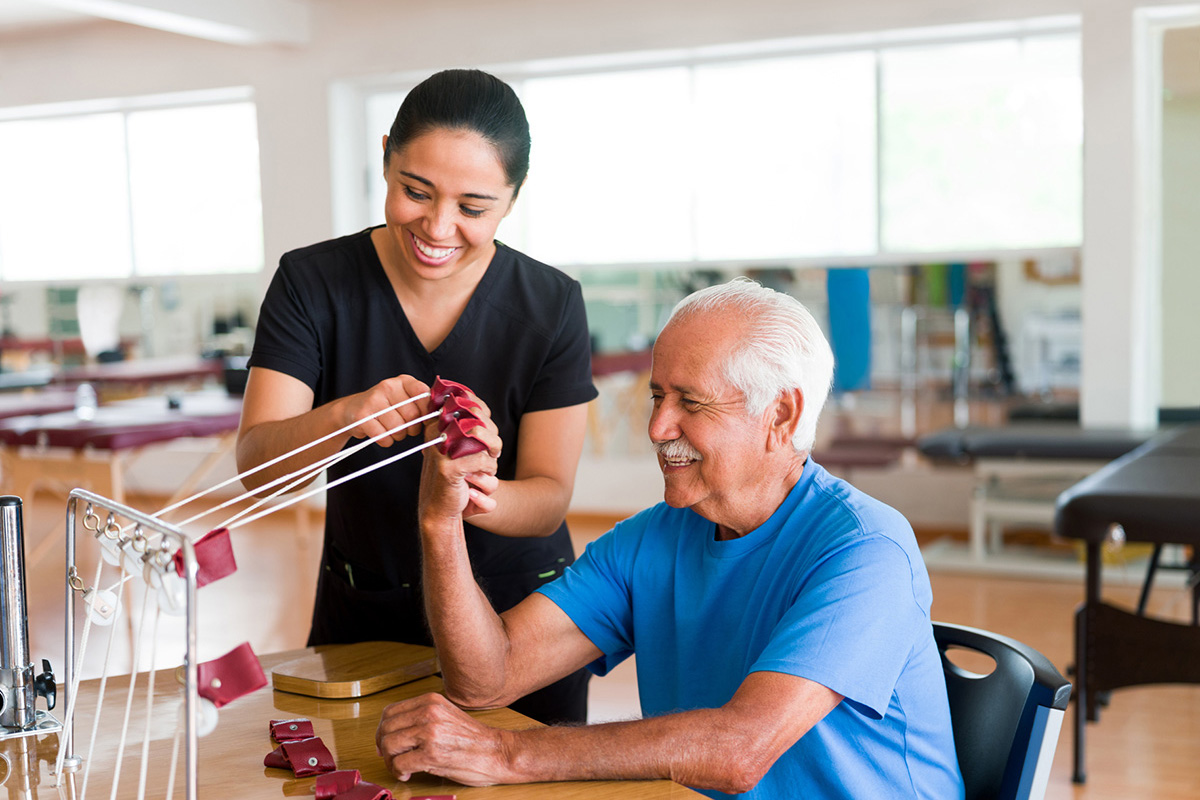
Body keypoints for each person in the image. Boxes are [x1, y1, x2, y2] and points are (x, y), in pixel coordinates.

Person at [376, 278, 965, 799]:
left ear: (780, 416)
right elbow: (486, 678)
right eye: (659, 396)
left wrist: (505, 755)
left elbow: (738, 751)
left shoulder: (866, 549)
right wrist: (440, 522)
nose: (658, 427)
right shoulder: (651, 539)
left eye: (692, 402)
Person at [236, 69, 597, 724]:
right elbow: (258, 468)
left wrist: (475, 490)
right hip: (366, 606)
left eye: (474, 207)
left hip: (517, 615)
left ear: (512, 200)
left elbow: (548, 500)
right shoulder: (311, 285)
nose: (437, 226)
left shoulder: (551, 304)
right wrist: (345, 416)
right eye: (415, 191)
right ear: (384, 158)